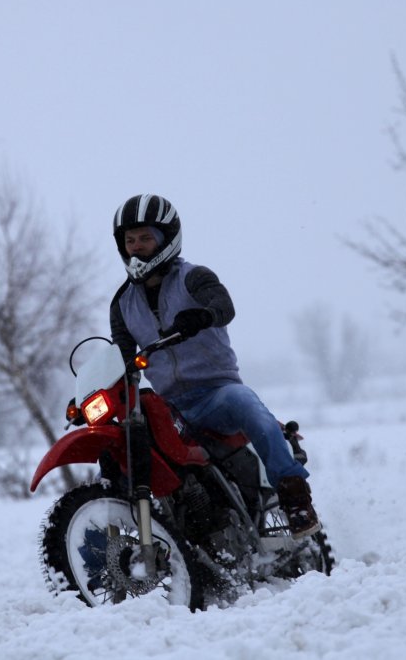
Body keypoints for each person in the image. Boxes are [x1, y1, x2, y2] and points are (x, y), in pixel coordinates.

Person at [108, 194, 321, 537]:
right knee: (124, 441)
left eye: (146, 238)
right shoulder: (122, 303)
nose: (137, 248)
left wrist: (203, 315)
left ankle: (295, 496)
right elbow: (121, 353)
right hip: (170, 406)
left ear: (166, 238)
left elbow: (224, 306)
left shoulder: (194, 277)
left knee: (247, 405)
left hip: (216, 393)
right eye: (129, 240)